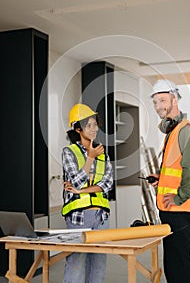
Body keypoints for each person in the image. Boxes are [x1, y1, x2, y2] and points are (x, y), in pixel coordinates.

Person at [150, 79, 190, 283]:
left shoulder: (185, 130)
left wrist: (179, 197)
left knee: (180, 262)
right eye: (155, 102)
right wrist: (161, 179)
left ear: (174, 100)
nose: (158, 106)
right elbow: (177, 168)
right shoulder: (173, 131)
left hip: (180, 208)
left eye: (162, 100)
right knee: (173, 262)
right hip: (171, 208)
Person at [62, 103, 113, 283]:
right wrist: (90, 158)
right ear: (77, 129)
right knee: (76, 264)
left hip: (101, 217)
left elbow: (107, 184)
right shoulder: (69, 152)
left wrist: (80, 190)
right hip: (78, 217)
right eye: (88, 125)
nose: (94, 129)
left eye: (95, 124)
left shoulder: (103, 154)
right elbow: (75, 181)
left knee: (98, 266)